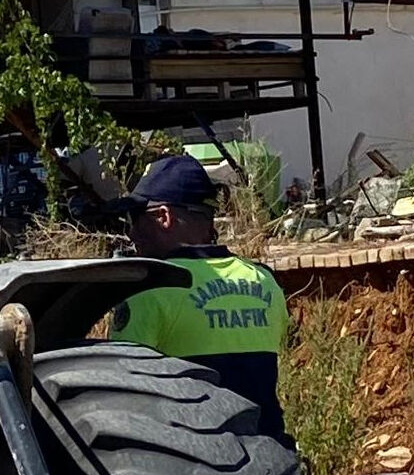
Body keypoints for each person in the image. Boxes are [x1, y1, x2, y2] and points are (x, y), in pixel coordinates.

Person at [114, 152, 290, 420]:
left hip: (190, 443)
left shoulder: (150, 290)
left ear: (163, 217)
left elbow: (124, 387)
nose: (131, 233)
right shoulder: (264, 281)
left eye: (134, 218)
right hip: (268, 442)